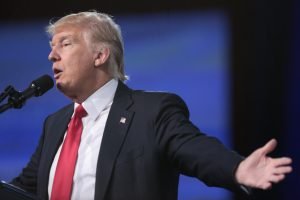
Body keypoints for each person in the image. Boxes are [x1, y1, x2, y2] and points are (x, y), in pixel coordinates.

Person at [11, 11, 292, 200]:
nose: (51, 56)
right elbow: (23, 189)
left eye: (65, 44)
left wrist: (236, 168)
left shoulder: (152, 111)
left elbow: (194, 149)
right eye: (52, 46)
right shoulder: (55, 124)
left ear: (100, 55)